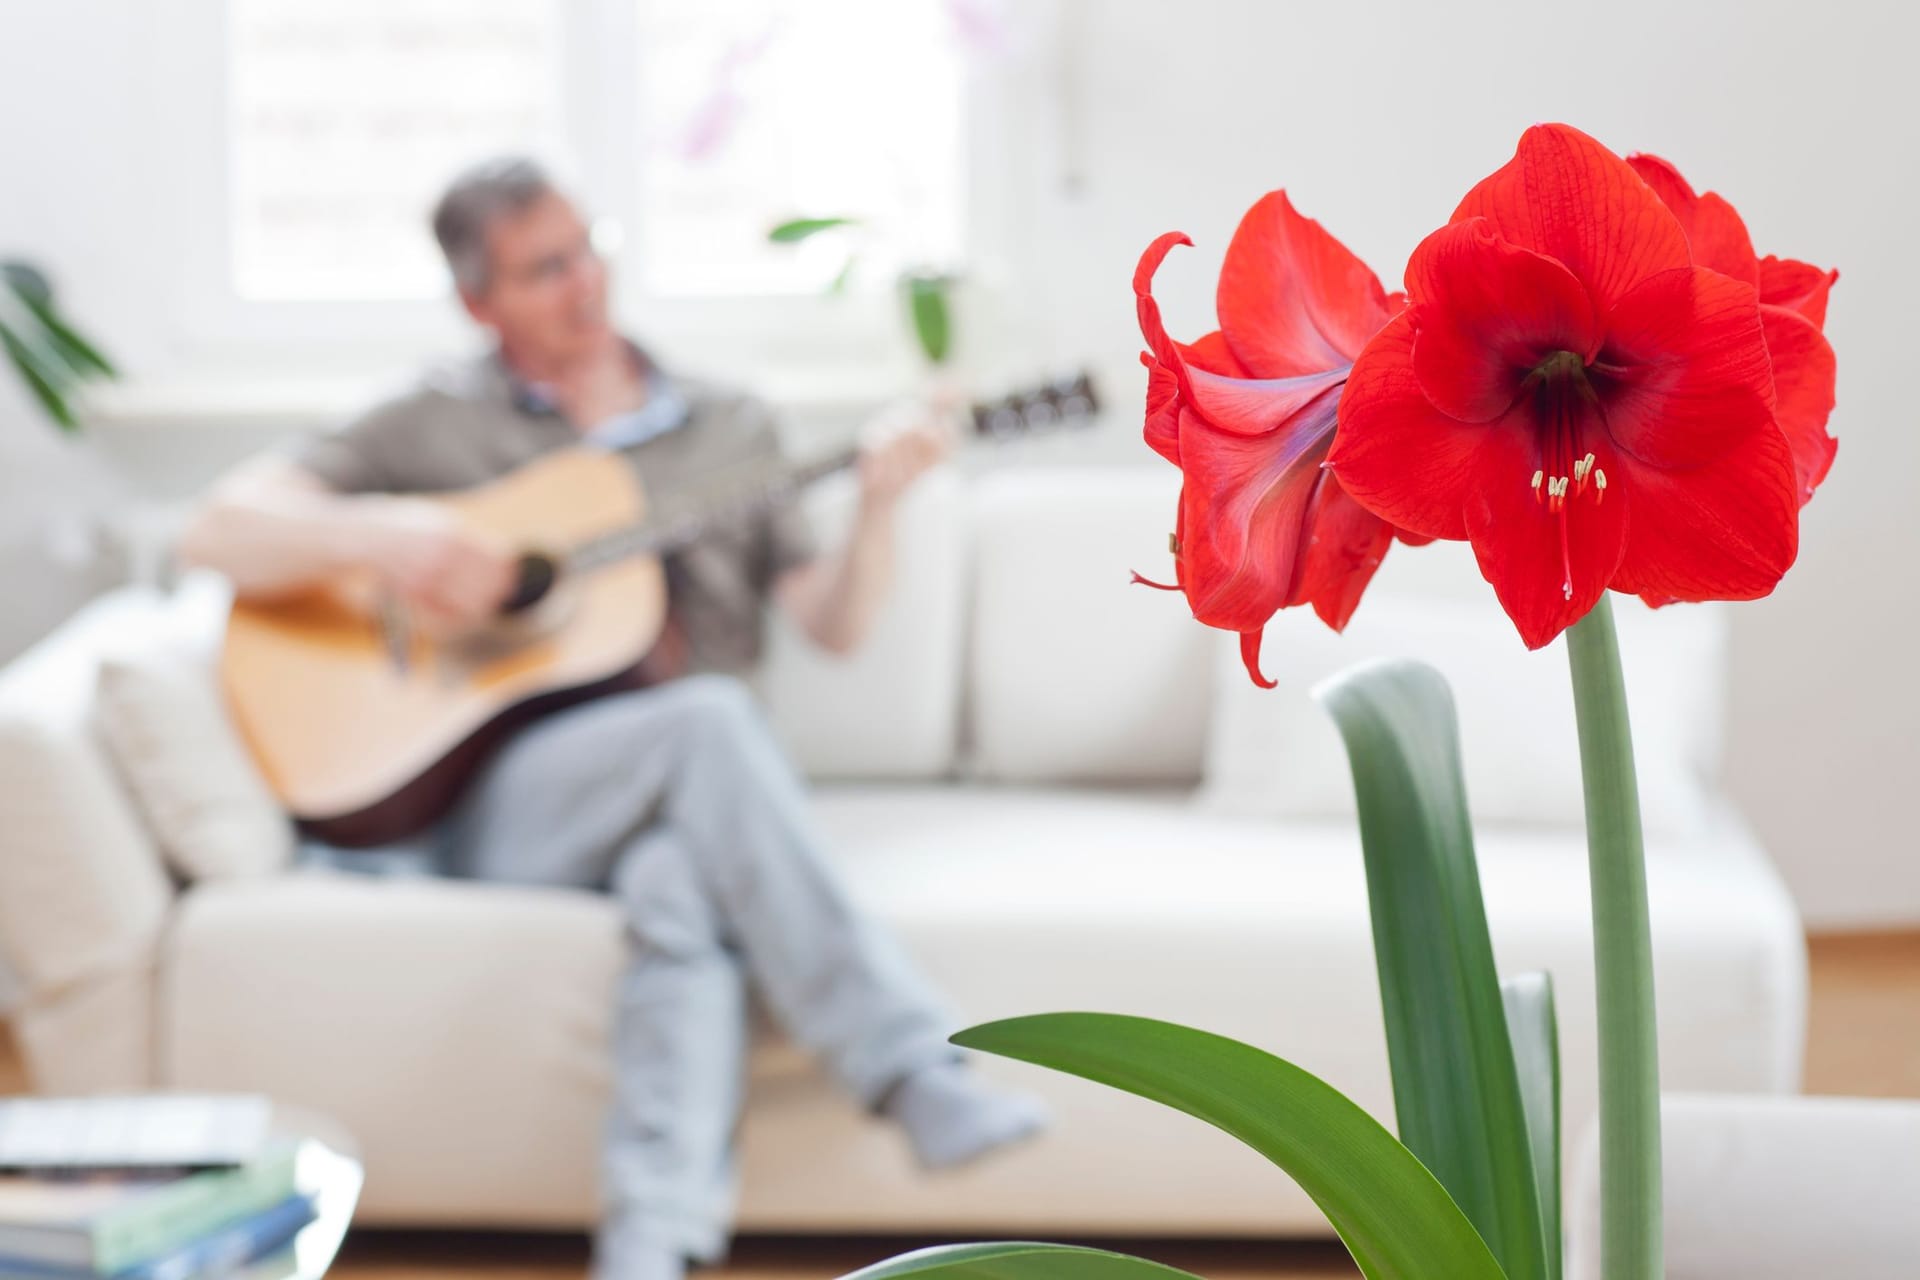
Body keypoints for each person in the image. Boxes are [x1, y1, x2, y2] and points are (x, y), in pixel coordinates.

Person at [178, 157, 1045, 1280]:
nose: (585, 284)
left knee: (681, 881)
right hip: (491, 798)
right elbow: (217, 529)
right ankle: (905, 1064)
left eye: (590, 248)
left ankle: (650, 1242)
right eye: (545, 270)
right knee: (712, 722)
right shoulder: (430, 421)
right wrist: (394, 539)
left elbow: (831, 625)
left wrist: (879, 504)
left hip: (687, 788)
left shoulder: (729, 422)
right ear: (478, 301)